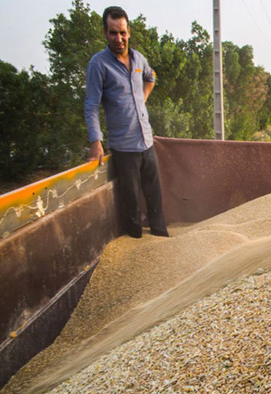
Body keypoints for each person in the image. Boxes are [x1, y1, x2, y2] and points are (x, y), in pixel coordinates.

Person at [85, 6, 168, 238]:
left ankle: (161, 237)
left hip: (147, 141)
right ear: (105, 33)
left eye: (122, 32)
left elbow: (151, 77)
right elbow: (91, 104)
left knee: (155, 196)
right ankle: (135, 243)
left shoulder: (139, 58)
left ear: (128, 31)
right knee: (131, 202)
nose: (119, 38)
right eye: (113, 33)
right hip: (124, 147)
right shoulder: (99, 64)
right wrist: (96, 141)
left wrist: (141, 98)